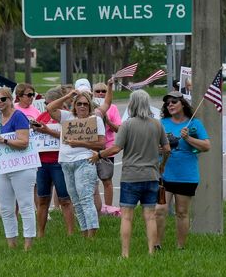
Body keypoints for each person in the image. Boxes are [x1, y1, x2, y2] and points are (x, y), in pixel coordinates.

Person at [90, 90, 169, 257]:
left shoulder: (127, 124)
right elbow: (167, 148)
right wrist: (162, 165)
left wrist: (98, 155)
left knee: (127, 217)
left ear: (132, 104)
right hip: (151, 175)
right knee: (150, 216)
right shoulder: (157, 124)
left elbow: (117, 148)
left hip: (131, 176)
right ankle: (151, 252)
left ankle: (125, 254)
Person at [46, 82, 112, 238]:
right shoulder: (67, 117)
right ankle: (84, 232)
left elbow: (101, 144)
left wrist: (80, 143)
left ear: (89, 106)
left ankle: (92, 234)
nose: (82, 106)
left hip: (85, 161)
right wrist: (69, 95)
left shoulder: (95, 120)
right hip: (66, 163)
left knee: (86, 198)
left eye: (85, 104)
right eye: (79, 103)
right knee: (75, 200)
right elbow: (50, 108)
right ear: (74, 105)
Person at [156, 91, 210, 249]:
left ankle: (180, 246)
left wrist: (188, 139)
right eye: (168, 103)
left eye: (174, 102)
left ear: (183, 104)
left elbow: (207, 146)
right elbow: (152, 144)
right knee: (159, 210)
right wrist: (159, 149)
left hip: (186, 175)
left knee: (181, 212)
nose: (170, 105)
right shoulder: (162, 123)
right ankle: (157, 244)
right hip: (164, 174)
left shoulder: (194, 124)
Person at [0, 86, 37, 250]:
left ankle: (28, 245)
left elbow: (24, 142)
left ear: (11, 100)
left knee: (25, 205)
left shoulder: (19, 116)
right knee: (5, 207)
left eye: (3, 99)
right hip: (3, 167)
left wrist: (3, 140)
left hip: (22, 168)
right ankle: (11, 244)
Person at [33, 86, 76, 237]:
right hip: (42, 163)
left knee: (65, 199)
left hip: (59, 161)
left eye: (51, 103)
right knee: (43, 200)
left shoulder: (67, 116)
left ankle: (70, 233)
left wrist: (48, 131)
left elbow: (69, 138)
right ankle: (40, 233)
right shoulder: (41, 117)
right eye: (46, 103)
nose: (47, 106)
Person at [93, 81, 122, 208]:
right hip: (91, 148)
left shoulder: (113, 108)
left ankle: (108, 208)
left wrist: (108, 121)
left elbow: (119, 130)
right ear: (93, 93)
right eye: (97, 91)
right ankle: (95, 207)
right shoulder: (89, 106)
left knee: (107, 180)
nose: (100, 93)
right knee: (91, 182)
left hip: (107, 148)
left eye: (103, 91)